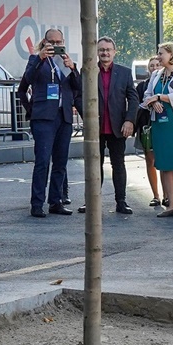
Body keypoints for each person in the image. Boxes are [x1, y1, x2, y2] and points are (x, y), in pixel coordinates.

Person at [18, 28, 81, 217]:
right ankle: (37, 203)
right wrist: (32, 110)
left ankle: (56, 201)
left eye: (59, 42)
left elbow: (79, 88)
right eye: (51, 42)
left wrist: (73, 69)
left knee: (61, 162)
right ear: (45, 42)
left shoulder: (67, 63)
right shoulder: (36, 60)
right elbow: (26, 83)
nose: (55, 45)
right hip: (44, 118)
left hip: (64, 117)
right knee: (43, 161)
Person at [78, 36, 138, 215]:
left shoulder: (125, 73)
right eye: (101, 49)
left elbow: (133, 98)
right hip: (94, 127)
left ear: (114, 52)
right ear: (97, 51)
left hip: (117, 127)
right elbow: (78, 96)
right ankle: (91, 202)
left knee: (118, 165)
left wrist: (130, 120)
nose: (105, 53)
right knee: (94, 166)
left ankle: (121, 202)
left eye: (108, 50)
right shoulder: (88, 71)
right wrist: (86, 116)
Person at [142, 42, 173, 219]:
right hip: (160, 126)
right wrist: (153, 101)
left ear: (171, 54)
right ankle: (171, 205)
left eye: (161, 53)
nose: (158, 56)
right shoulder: (156, 74)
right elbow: (146, 96)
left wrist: (159, 97)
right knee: (165, 165)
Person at [136, 55, 163, 206]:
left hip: (164, 127)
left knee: (165, 161)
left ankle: (168, 195)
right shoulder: (142, 86)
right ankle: (156, 195)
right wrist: (150, 103)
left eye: (157, 65)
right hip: (147, 127)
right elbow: (138, 105)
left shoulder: (167, 84)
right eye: (151, 65)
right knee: (150, 161)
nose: (154, 68)